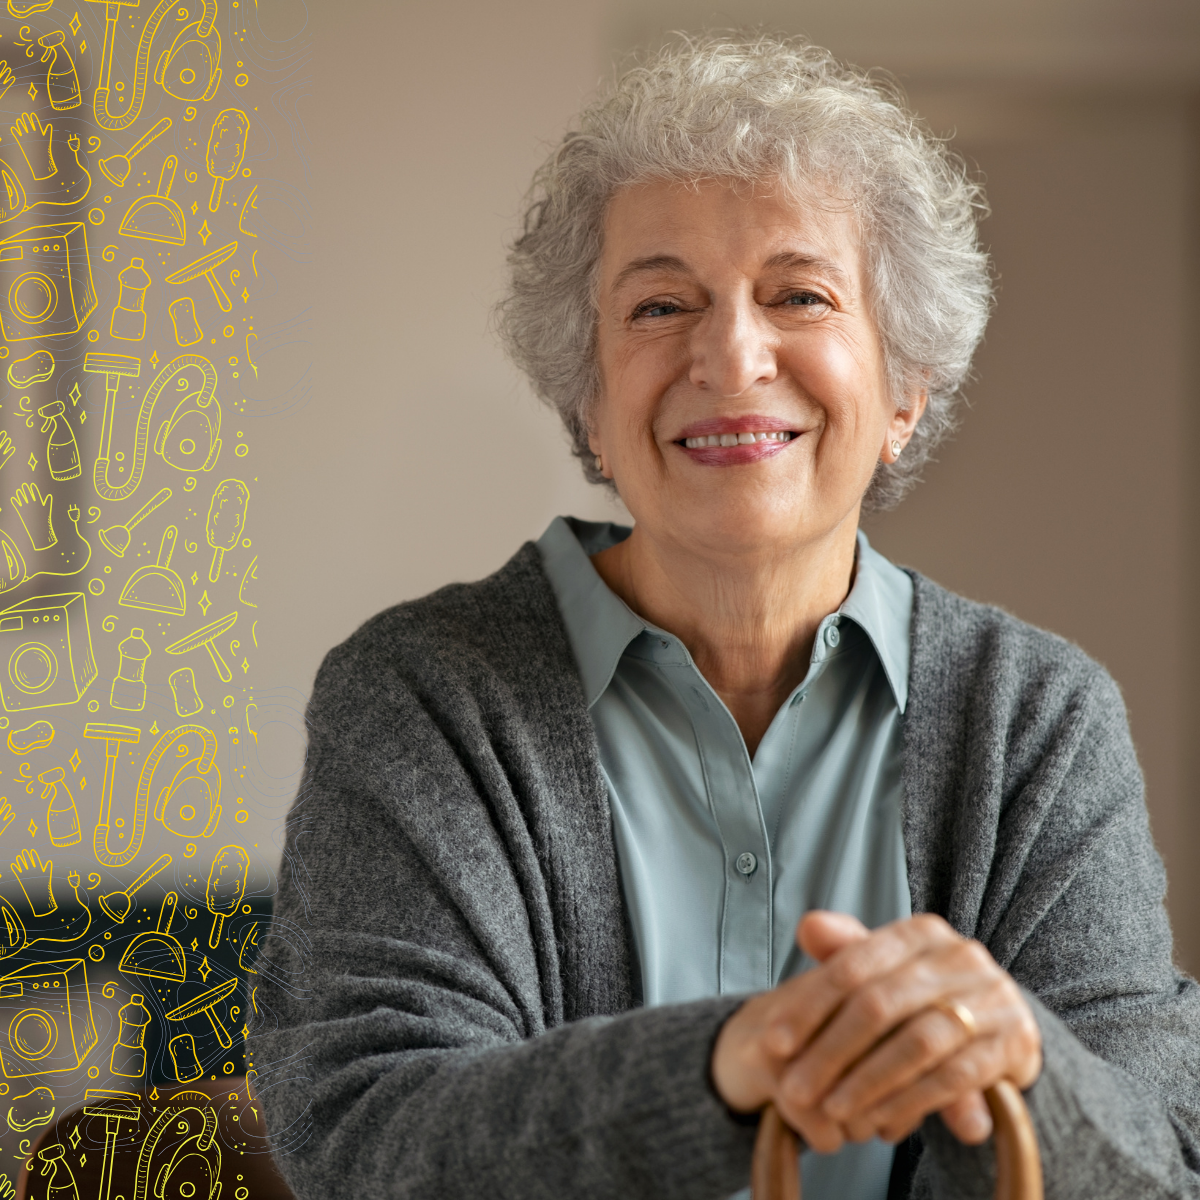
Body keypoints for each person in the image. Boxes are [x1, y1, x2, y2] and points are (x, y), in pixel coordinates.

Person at [252, 35, 1200, 1199]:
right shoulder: (420, 698)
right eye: (661, 304)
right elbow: (363, 1139)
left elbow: (1160, 1160)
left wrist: (1022, 1060)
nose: (731, 356)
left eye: (799, 295)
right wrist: (720, 1071)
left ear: (904, 390)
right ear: (589, 404)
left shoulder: (1039, 719)